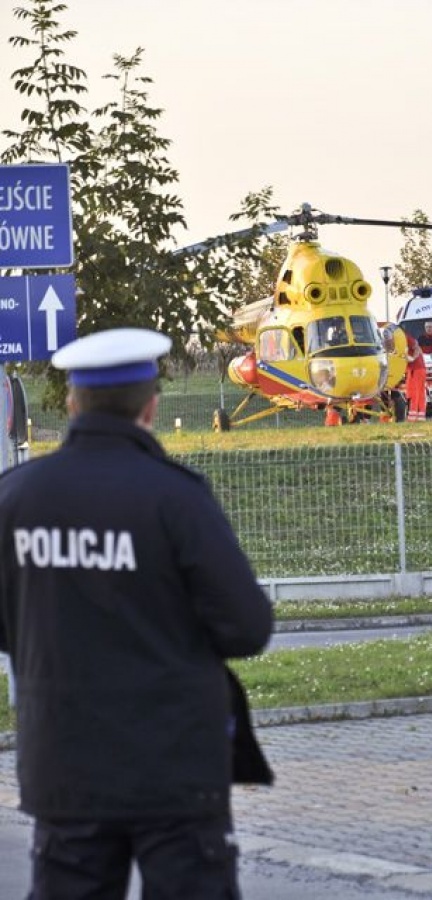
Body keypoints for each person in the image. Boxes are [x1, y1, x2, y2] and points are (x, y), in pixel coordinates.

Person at [0, 327, 274, 900]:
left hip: (63, 767)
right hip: (172, 769)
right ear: (151, 406)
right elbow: (246, 627)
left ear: (73, 403)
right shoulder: (175, 497)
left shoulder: (16, 498)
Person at [405, 332, 427, 421]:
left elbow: (417, 348)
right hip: (414, 369)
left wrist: (413, 358)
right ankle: (417, 416)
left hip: (416, 369)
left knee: (415, 392)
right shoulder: (402, 339)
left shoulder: (406, 338)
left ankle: (415, 416)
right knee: (415, 392)